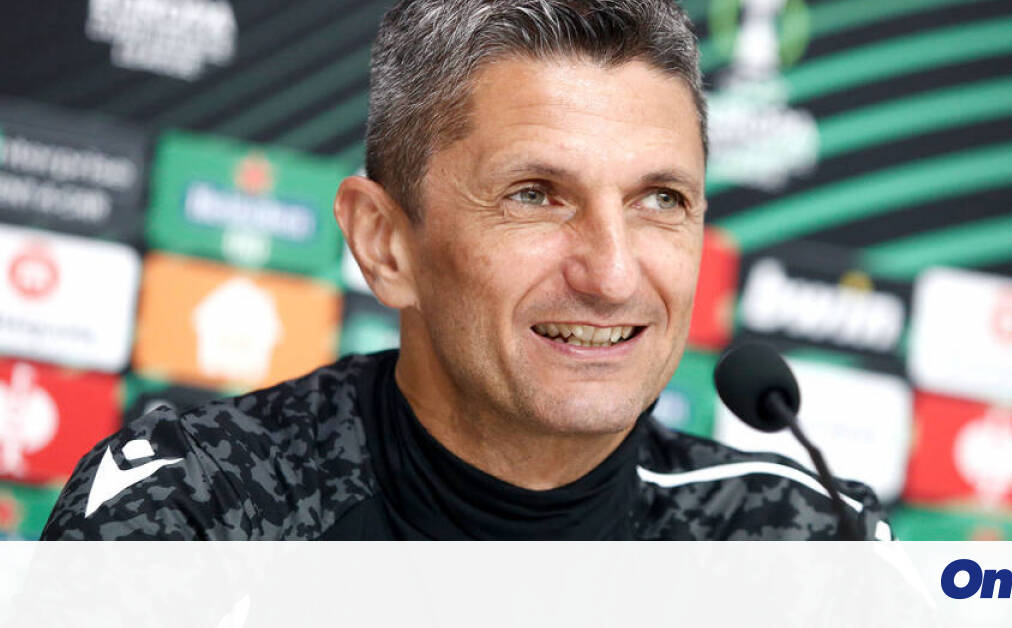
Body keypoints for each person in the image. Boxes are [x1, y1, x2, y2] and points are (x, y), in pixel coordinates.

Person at [42, 0, 889, 540]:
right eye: (535, 195)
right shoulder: (197, 510)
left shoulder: (809, 542)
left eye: (660, 199)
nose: (612, 275)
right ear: (385, 243)